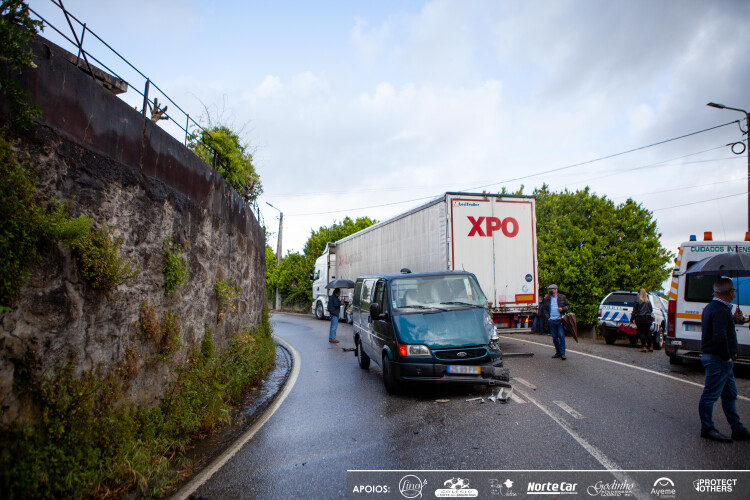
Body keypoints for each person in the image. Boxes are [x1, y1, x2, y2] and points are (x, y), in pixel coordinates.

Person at [698, 277, 750, 442]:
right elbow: (719, 336)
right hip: (718, 359)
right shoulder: (719, 310)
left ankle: (737, 428)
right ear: (729, 292)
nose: (735, 293)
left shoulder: (714, 308)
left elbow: (721, 328)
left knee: (730, 394)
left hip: (718, 359)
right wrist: (727, 357)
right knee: (710, 395)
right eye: (734, 290)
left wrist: (734, 319)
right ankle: (707, 428)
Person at [542, 284, 570, 360]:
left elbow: (568, 306)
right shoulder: (547, 298)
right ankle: (558, 352)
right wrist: (548, 318)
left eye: (551, 289)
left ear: (556, 290)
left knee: (561, 336)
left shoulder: (562, 297)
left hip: (560, 320)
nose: (550, 291)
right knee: (554, 338)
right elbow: (544, 309)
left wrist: (563, 309)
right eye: (549, 290)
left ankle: (563, 353)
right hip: (552, 320)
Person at [631, 288, 654, 352]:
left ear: (639, 293)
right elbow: (651, 310)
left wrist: (631, 319)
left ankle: (643, 346)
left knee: (642, 333)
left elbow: (634, 311)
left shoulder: (637, 299)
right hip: (648, 318)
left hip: (640, 318)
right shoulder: (648, 300)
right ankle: (650, 346)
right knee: (647, 332)